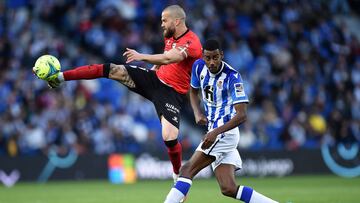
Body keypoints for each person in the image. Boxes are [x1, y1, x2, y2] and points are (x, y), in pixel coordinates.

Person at [43, 5, 202, 181]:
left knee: (169, 136)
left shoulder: (192, 42)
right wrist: (148, 73)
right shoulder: (171, 36)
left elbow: (170, 57)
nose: (162, 24)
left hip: (172, 93)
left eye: (164, 20)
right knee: (113, 69)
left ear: (177, 21)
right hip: (154, 79)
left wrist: (141, 56)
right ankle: (61, 77)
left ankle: (177, 175)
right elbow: (164, 61)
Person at [164, 39, 278, 203]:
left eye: (215, 57)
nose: (211, 62)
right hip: (215, 131)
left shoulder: (232, 77)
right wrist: (197, 113)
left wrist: (215, 132)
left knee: (186, 170)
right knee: (228, 188)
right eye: (208, 58)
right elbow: (193, 92)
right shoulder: (198, 67)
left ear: (222, 55)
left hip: (224, 133)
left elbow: (242, 115)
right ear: (203, 56)